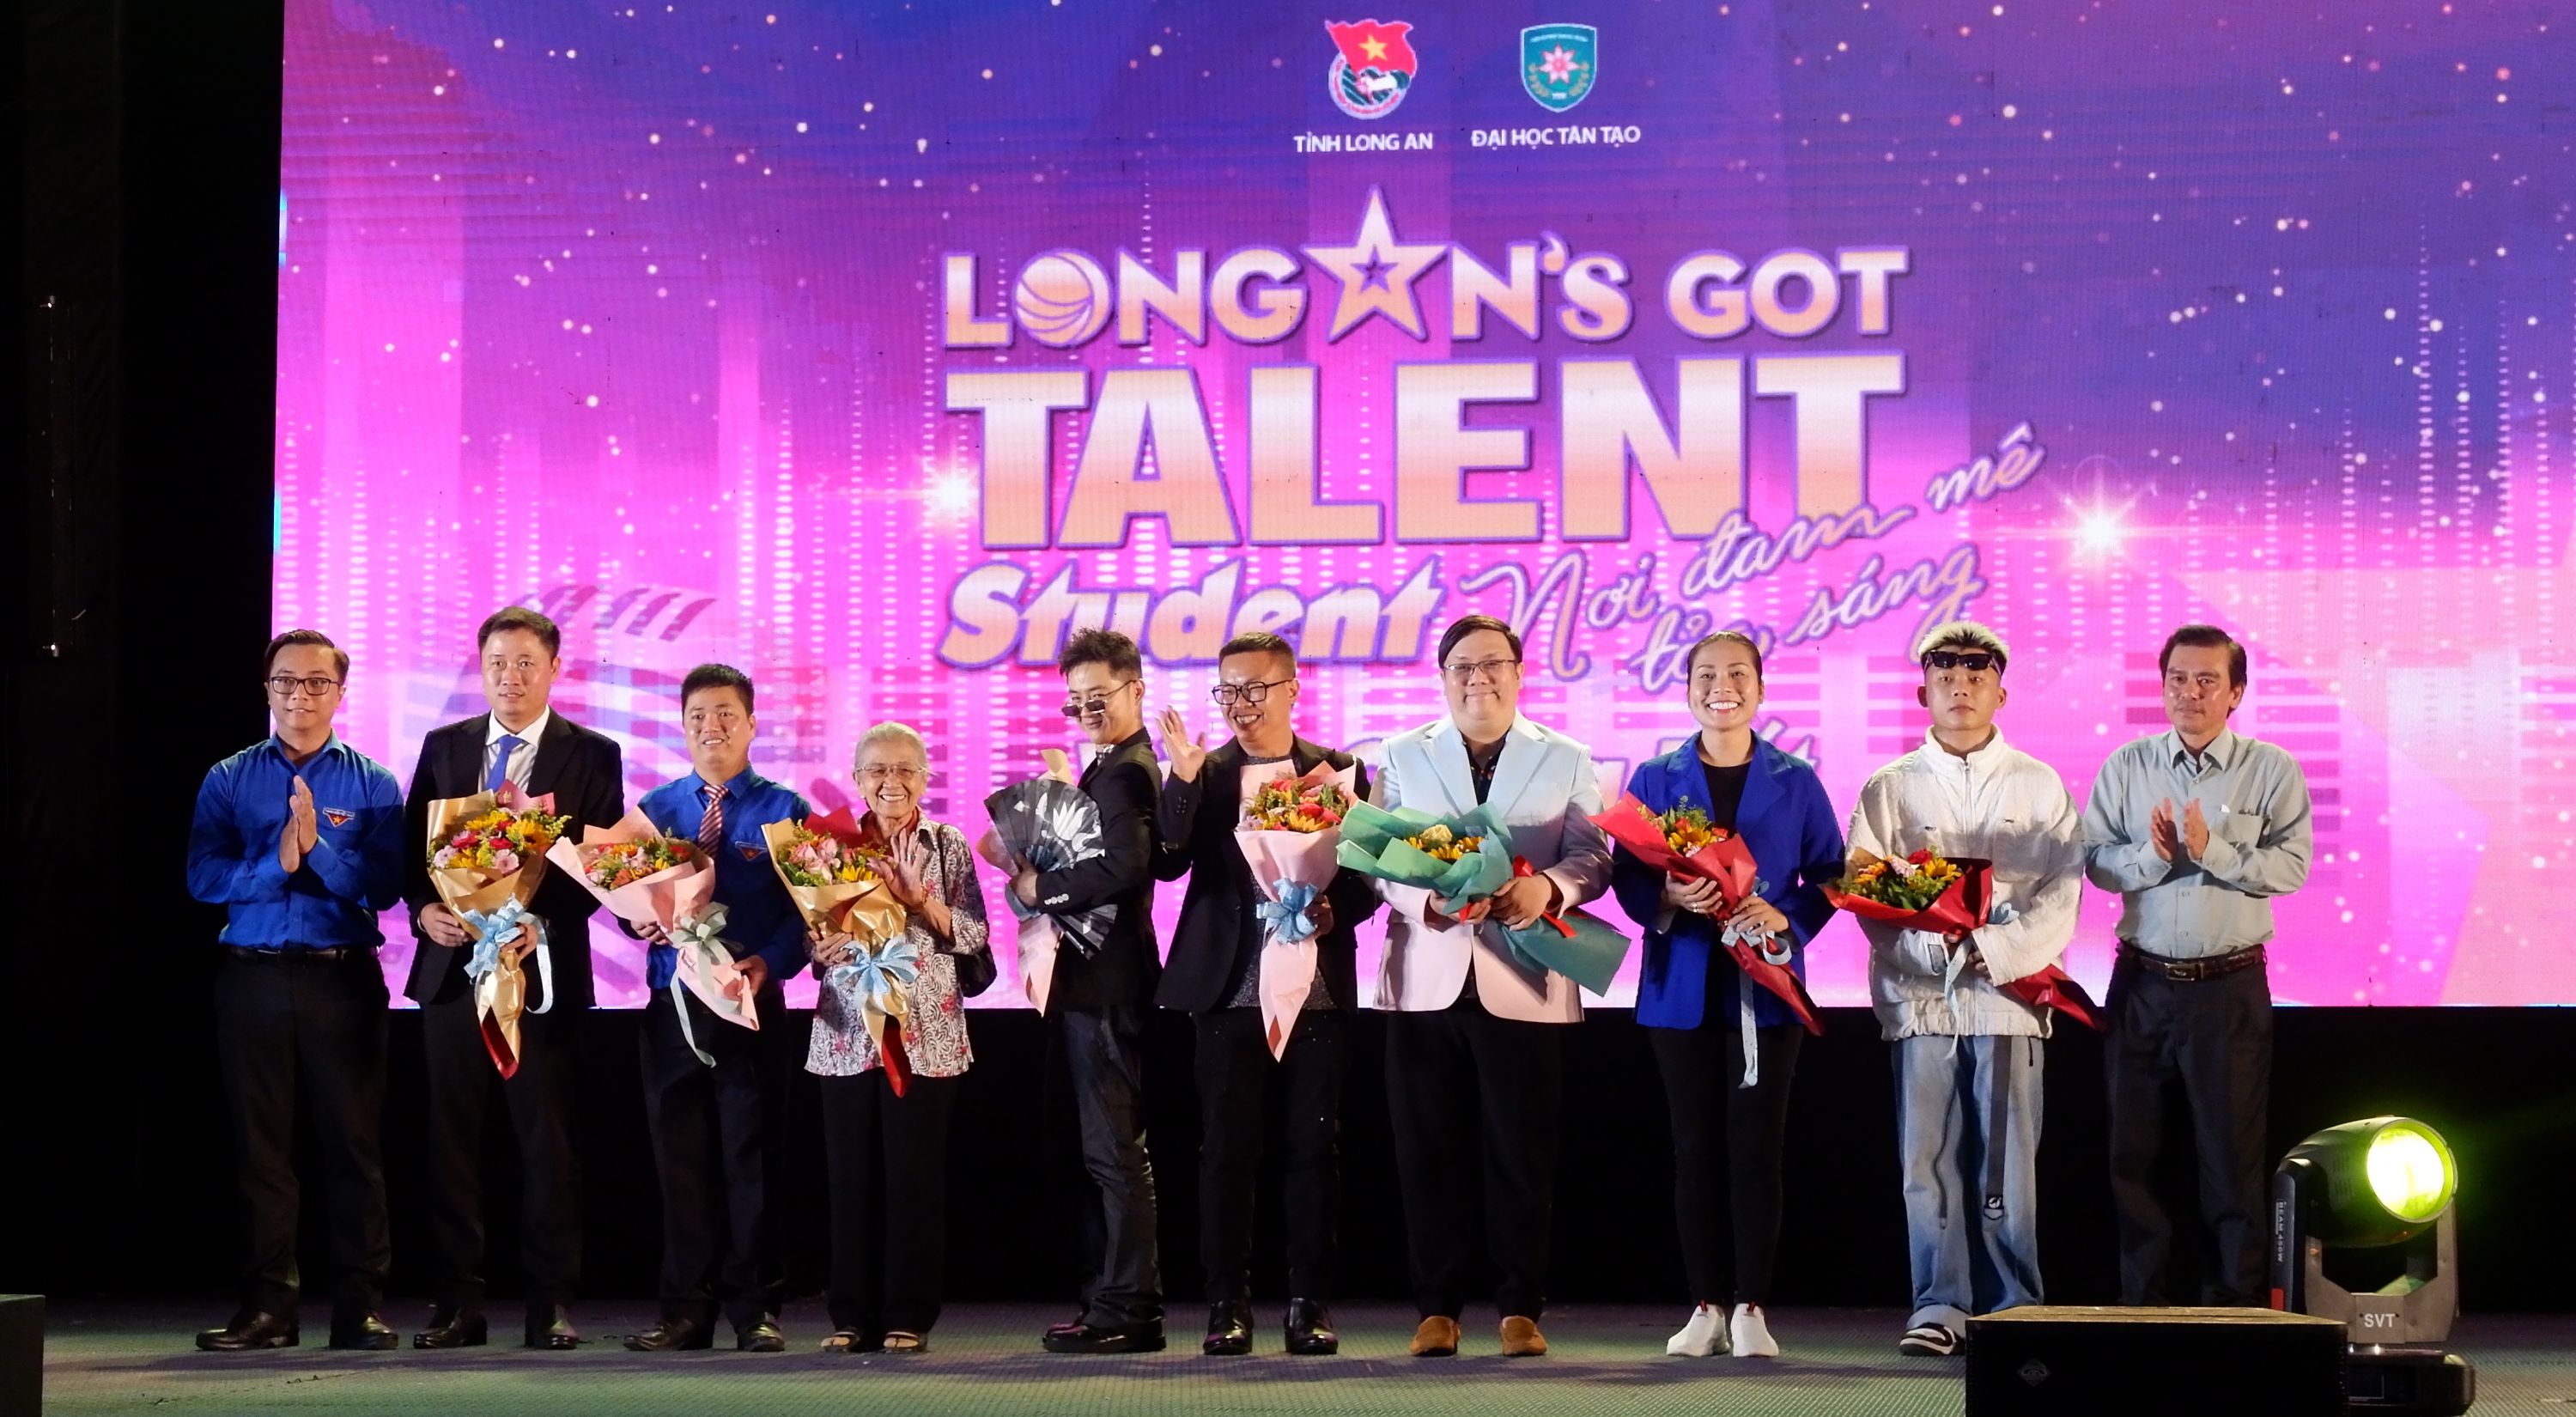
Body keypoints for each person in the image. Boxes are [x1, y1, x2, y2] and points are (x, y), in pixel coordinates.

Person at [1373, 614, 1614, 1359]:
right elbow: (1375, 855)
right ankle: (1436, 1309)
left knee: (1522, 1151)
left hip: (1527, 974)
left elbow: (1594, 856)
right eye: (1462, 667)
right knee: (1427, 1151)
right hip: (1426, 976)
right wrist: (1427, 901)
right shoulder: (1400, 753)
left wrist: (1550, 888)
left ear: (1518, 671)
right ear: (1443, 677)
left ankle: (1520, 1307)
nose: (1478, 678)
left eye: (1493, 664)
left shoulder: (1567, 756)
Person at [1844, 622, 2080, 1357]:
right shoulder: (1889, 787)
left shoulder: (2039, 784)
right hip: (1920, 1002)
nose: (1961, 685)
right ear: (1923, 691)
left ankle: (2014, 1305)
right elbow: (1866, 890)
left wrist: (1989, 948)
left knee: (2007, 1164)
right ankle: (1938, 1305)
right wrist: (1928, 948)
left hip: (2008, 999)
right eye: (1945, 674)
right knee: (1927, 1164)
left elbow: (2061, 891)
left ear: (2001, 691)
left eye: (1977, 673)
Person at [1609, 629, 1843, 1360]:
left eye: (1739, 674)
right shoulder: (1656, 778)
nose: (1723, 687)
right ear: (1687, 690)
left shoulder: (1796, 779)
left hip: (1767, 990)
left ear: (1761, 689)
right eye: (1706, 675)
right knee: (1693, 1149)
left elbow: (1832, 874)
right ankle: (1705, 1303)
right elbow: (1628, 876)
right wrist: (1669, 895)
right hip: (1680, 986)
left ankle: (1751, 1305)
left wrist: (1786, 915)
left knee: (1756, 1149)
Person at [400, 606, 623, 1351]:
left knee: (547, 1144)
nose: (510, 677)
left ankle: (550, 1305)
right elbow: (411, 851)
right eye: (497, 662)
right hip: (453, 976)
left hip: (540, 978)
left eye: (526, 662)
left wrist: (541, 923)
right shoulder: (445, 746)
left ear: (555, 668)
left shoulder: (592, 754)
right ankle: (455, 1304)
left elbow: (597, 866)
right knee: (451, 1144)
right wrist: (425, 910)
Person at [1151, 631, 1381, 1357]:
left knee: (1314, 1147)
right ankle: (1228, 1306)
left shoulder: (1337, 771)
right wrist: (1182, 783)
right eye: (1228, 690)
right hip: (1227, 988)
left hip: (1316, 986)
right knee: (1226, 1149)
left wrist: (1335, 911)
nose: (1240, 703)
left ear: (1292, 689)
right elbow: (1166, 861)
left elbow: (1369, 877)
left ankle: (1309, 1305)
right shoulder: (1207, 770)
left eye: (1255, 688)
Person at [187, 629, 405, 1352]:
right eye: (285, 681)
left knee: (353, 1147)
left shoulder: (373, 783)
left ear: (340, 693)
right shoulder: (228, 777)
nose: (299, 694)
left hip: (342, 980)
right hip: (251, 978)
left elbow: (386, 886)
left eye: (316, 682)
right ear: (267, 689)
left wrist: (319, 850)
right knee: (262, 1152)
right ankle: (267, 1311)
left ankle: (359, 1308)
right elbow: (203, 878)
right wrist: (276, 863)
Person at [2082, 624, 2313, 1306]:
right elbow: (2094, 862)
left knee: (2230, 1158)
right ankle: (2141, 1309)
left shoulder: (2271, 769)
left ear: (2236, 692)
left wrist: (2212, 851)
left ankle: (2234, 1312)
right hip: (2141, 983)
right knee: (2132, 1156)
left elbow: (2292, 867)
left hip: (2228, 986)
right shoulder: (2126, 766)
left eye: (2207, 680)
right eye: (2178, 679)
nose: (2190, 693)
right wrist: (2151, 858)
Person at [623, 663, 811, 1353]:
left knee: (751, 1159)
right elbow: (623, 895)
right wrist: (634, 919)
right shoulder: (655, 810)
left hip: (749, 1003)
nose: (713, 726)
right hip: (672, 1003)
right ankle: (684, 1311)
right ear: (683, 725)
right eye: (699, 715)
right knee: (680, 1162)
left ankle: (756, 1309)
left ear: (752, 723)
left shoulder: (785, 809)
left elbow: (805, 910)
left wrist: (771, 963)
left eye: (727, 713)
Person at [997, 627, 1166, 1353]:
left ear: (1136, 689)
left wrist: (1043, 888)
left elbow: (1128, 865)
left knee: (1114, 1152)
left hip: (1108, 983)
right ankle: (1112, 1300)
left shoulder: (1128, 771)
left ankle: (1128, 1307)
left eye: (1101, 696)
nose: (1088, 710)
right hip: (1091, 982)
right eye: (1077, 700)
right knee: (1103, 1151)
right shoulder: (1110, 765)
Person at [805, 722, 993, 1355]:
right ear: (858, 779)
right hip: (846, 1034)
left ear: (925, 778)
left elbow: (973, 932)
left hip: (927, 1034)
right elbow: (810, 932)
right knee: (848, 1181)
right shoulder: (827, 846)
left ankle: (908, 1315)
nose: (892, 782)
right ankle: (850, 1315)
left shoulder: (947, 844)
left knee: (914, 1181)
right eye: (879, 770)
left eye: (906, 769)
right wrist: (819, 948)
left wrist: (920, 903)